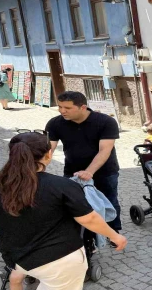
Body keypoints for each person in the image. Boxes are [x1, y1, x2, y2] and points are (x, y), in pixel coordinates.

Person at [0, 132, 127, 290]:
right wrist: (115, 236)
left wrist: (13, 241)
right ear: (48, 155)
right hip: (61, 258)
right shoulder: (62, 185)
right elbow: (89, 219)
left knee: (50, 289)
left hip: (20, 259)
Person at [45, 91, 123, 244]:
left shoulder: (106, 122)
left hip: (105, 171)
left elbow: (105, 150)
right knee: (73, 204)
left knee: (108, 200)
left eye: (67, 108)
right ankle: (80, 235)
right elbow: (48, 150)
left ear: (83, 107)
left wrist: (89, 172)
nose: (62, 111)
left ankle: (113, 232)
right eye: (60, 107)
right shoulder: (55, 123)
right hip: (72, 171)